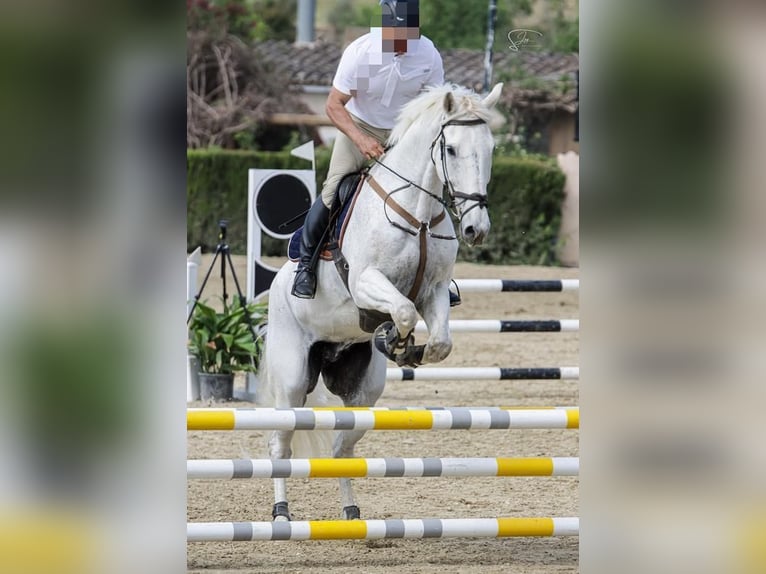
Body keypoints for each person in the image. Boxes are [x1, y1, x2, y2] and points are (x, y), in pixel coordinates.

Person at [291, 0, 460, 306]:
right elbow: (333, 105)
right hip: (359, 125)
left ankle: (437, 277)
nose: (400, 43)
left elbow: (433, 104)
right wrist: (360, 140)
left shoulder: (428, 54)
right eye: (395, 35)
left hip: (402, 132)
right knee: (333, 191)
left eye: (406, 36)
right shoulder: (361, 52)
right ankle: (306, 267)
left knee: (425, 194)